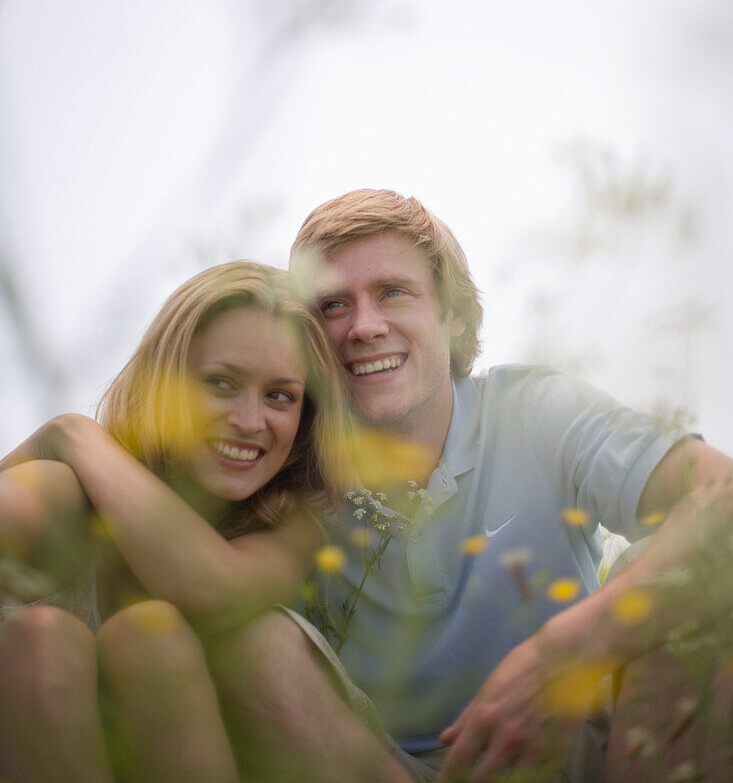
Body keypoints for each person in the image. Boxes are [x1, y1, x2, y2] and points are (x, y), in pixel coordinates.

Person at [200, 189, 732, 783]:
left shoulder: (536, 411)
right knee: (255, 643)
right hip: (394, 770)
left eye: (392, 293)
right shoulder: (286, 464)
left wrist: (567, 650)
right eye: (332, 307)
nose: (364, 327)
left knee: (689, 579)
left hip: (587, 752)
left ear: (453, 315)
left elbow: (723, 499)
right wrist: (81, 442)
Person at [0, 260, 351, 783]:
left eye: (280, 395)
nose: (250, 422)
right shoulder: (67, 489)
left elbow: (211, 587)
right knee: (40, 637)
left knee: (151, 638)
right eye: (220, 383)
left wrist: (73, 433)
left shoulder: (290, 526)